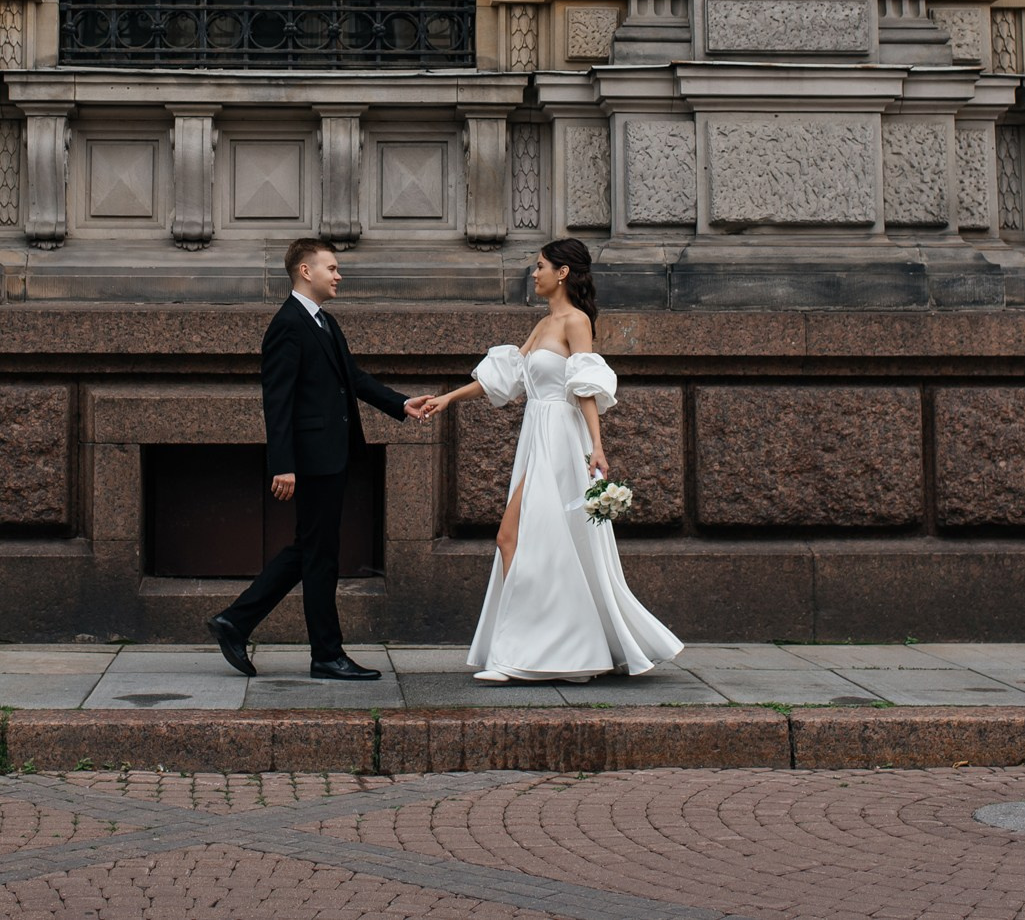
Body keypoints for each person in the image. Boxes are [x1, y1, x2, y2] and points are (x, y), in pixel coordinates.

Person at [405, 239, 681, 683]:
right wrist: (448, 398)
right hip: (536, 435)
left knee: (522, 539)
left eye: (539, 267)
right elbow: (509, 377)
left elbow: (584, 385)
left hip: (559, 438)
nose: (533, 274)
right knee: (513, 539)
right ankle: (547, 651)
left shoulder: (576, 322)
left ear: (562, 273)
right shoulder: (543, 323)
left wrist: (597, 446)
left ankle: (538, 654)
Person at [208, 237, 429, 681]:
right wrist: (282, 463)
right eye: (331, 267)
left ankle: (236, 621)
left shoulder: (324, 323)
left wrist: (401, 404)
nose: (338, 274)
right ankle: (324, 653)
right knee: (319, 554)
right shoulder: (288, 324)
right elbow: (278, 400)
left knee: (311, 549)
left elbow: (355, 379)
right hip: (310, 461)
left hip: (330, 456)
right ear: (305, 271)